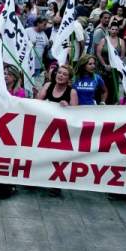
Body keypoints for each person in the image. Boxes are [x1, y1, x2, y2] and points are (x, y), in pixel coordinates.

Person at [36, 64, 77, 197]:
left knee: (56, 158)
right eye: (59, 73)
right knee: (39, 154)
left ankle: (55, 185)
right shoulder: (48, 86)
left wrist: (68, 107)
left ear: (69, 78)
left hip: (60, 131)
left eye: (64, 74)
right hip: (44, 127)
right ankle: (34, 179)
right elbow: (36, 103)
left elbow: (77, 113)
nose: (61, 76)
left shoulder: (72, 92)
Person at [96, 22, 125, 104]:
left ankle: (112, 103)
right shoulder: (104, 40)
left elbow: (122, 56)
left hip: (115, 69)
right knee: (102, 86)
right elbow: (98, 53)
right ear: (109, 30)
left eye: (116, 29)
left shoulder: (121, 41)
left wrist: (115, 64)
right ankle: (101, 102)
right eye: (112, 29)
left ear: (118, 31)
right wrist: (104, 65)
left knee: (113, 87)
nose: (114, 31)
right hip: (103, 68)